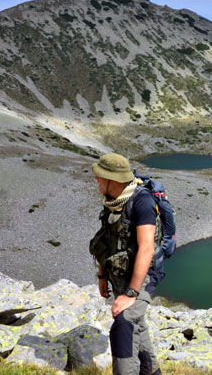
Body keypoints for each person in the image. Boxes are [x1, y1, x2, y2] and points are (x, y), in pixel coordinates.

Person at [90, 153, 162, 375]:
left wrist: (131, 293)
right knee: (137, 326)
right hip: (120, 276)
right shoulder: (112, 202)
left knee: (124, 323)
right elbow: (107, 241)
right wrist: (102, 275)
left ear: (113, 180)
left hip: (143, 277)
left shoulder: (142, 201)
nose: (96, 179)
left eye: (100, 176)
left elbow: (147, 248)